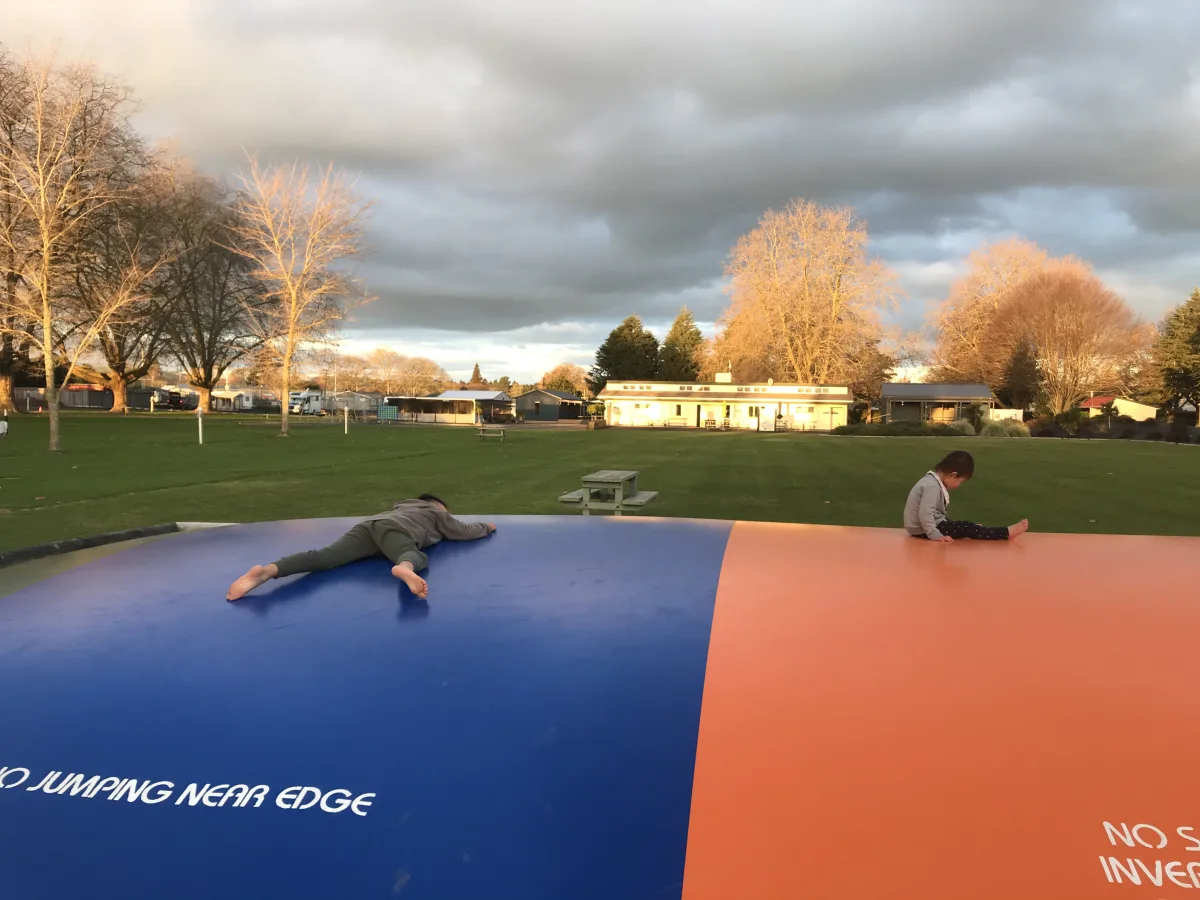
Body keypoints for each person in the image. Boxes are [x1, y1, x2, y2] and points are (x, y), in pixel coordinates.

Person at [226, 494, 496, 602]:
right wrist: (486, 527)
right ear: (437, 507)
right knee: (412, 554)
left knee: (324, 556)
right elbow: (463, 531)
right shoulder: (434, 513)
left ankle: (268, 571)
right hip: (398, 532)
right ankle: (404, 569)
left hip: (369, 526)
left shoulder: (398, 508)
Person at [904, 450, 1028, 542]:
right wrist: (935, 535)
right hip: (922, 530)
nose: (958, 486)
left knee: (963, 526)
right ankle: (1006, 533)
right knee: (968, 527)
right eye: (960, 481)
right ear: (953, 475)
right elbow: (925, 513)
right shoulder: (933, 487)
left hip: (923, 527)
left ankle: (975, 529)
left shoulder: (931, 481)